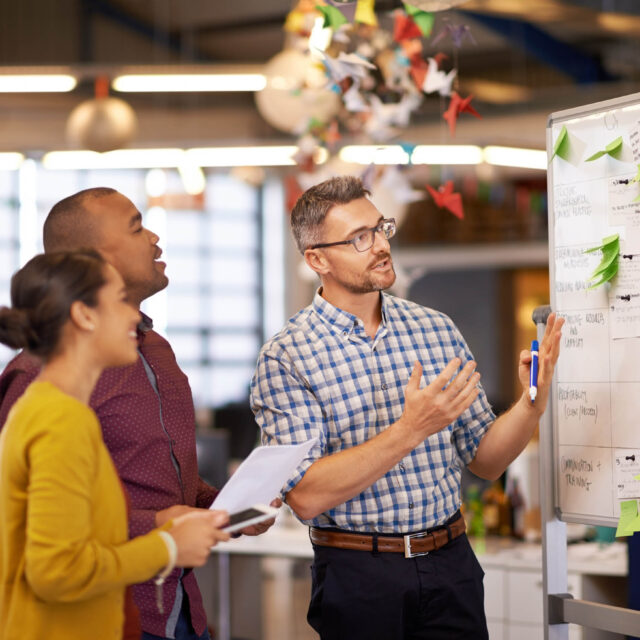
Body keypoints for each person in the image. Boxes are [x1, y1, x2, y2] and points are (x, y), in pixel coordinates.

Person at [250, 176, 564, 640]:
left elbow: (487, 459)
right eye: (360, 238)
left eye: (380, 228)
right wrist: (411, 429)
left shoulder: (435, 328)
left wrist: (532, 403)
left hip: (451, 562)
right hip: (358, 575)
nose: (380, 245)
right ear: (317, 259)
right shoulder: (287, 356)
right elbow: (307, 494)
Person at [0, 188, 276, 640]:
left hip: (170, 607)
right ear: (85, 312)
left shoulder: (124, 372)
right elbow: (52, 564)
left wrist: (219, 509)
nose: (134, 319)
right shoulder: (52, 410)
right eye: (117, 303)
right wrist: (165, 539)